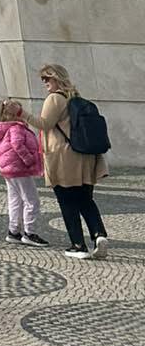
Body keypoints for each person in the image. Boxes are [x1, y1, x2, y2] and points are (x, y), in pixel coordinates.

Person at [27, 63, 109, 259]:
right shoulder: (76, 98)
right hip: (85, 155)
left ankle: (78, 245)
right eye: (43, 79)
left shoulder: (54, 98)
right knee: (85, 199)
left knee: (66, 200)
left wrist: (22, 114)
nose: (45, 83)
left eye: (47, 78)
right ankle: (99, 234)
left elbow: (45, 124)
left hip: (64, 158)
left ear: (57, 78)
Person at [0, 98, 47, 246]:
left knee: (15, 200)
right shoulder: (16, 127)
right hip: (19, 168)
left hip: (9, 170)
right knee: (31, 200)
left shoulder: (2, 128)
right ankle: (30, 232)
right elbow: (17, 144)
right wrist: (29, 160)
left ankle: (14, 231)